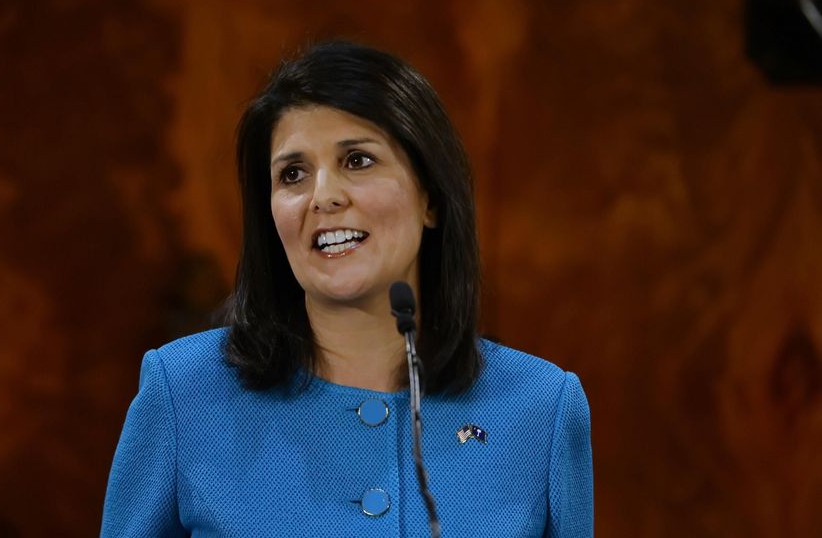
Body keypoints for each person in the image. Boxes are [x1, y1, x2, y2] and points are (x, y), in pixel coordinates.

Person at [101, 40, 593, 537]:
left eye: (357, 160)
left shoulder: (541, 408)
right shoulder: (184, 394)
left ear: (431, 198)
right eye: (292, 174)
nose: (324, 197)